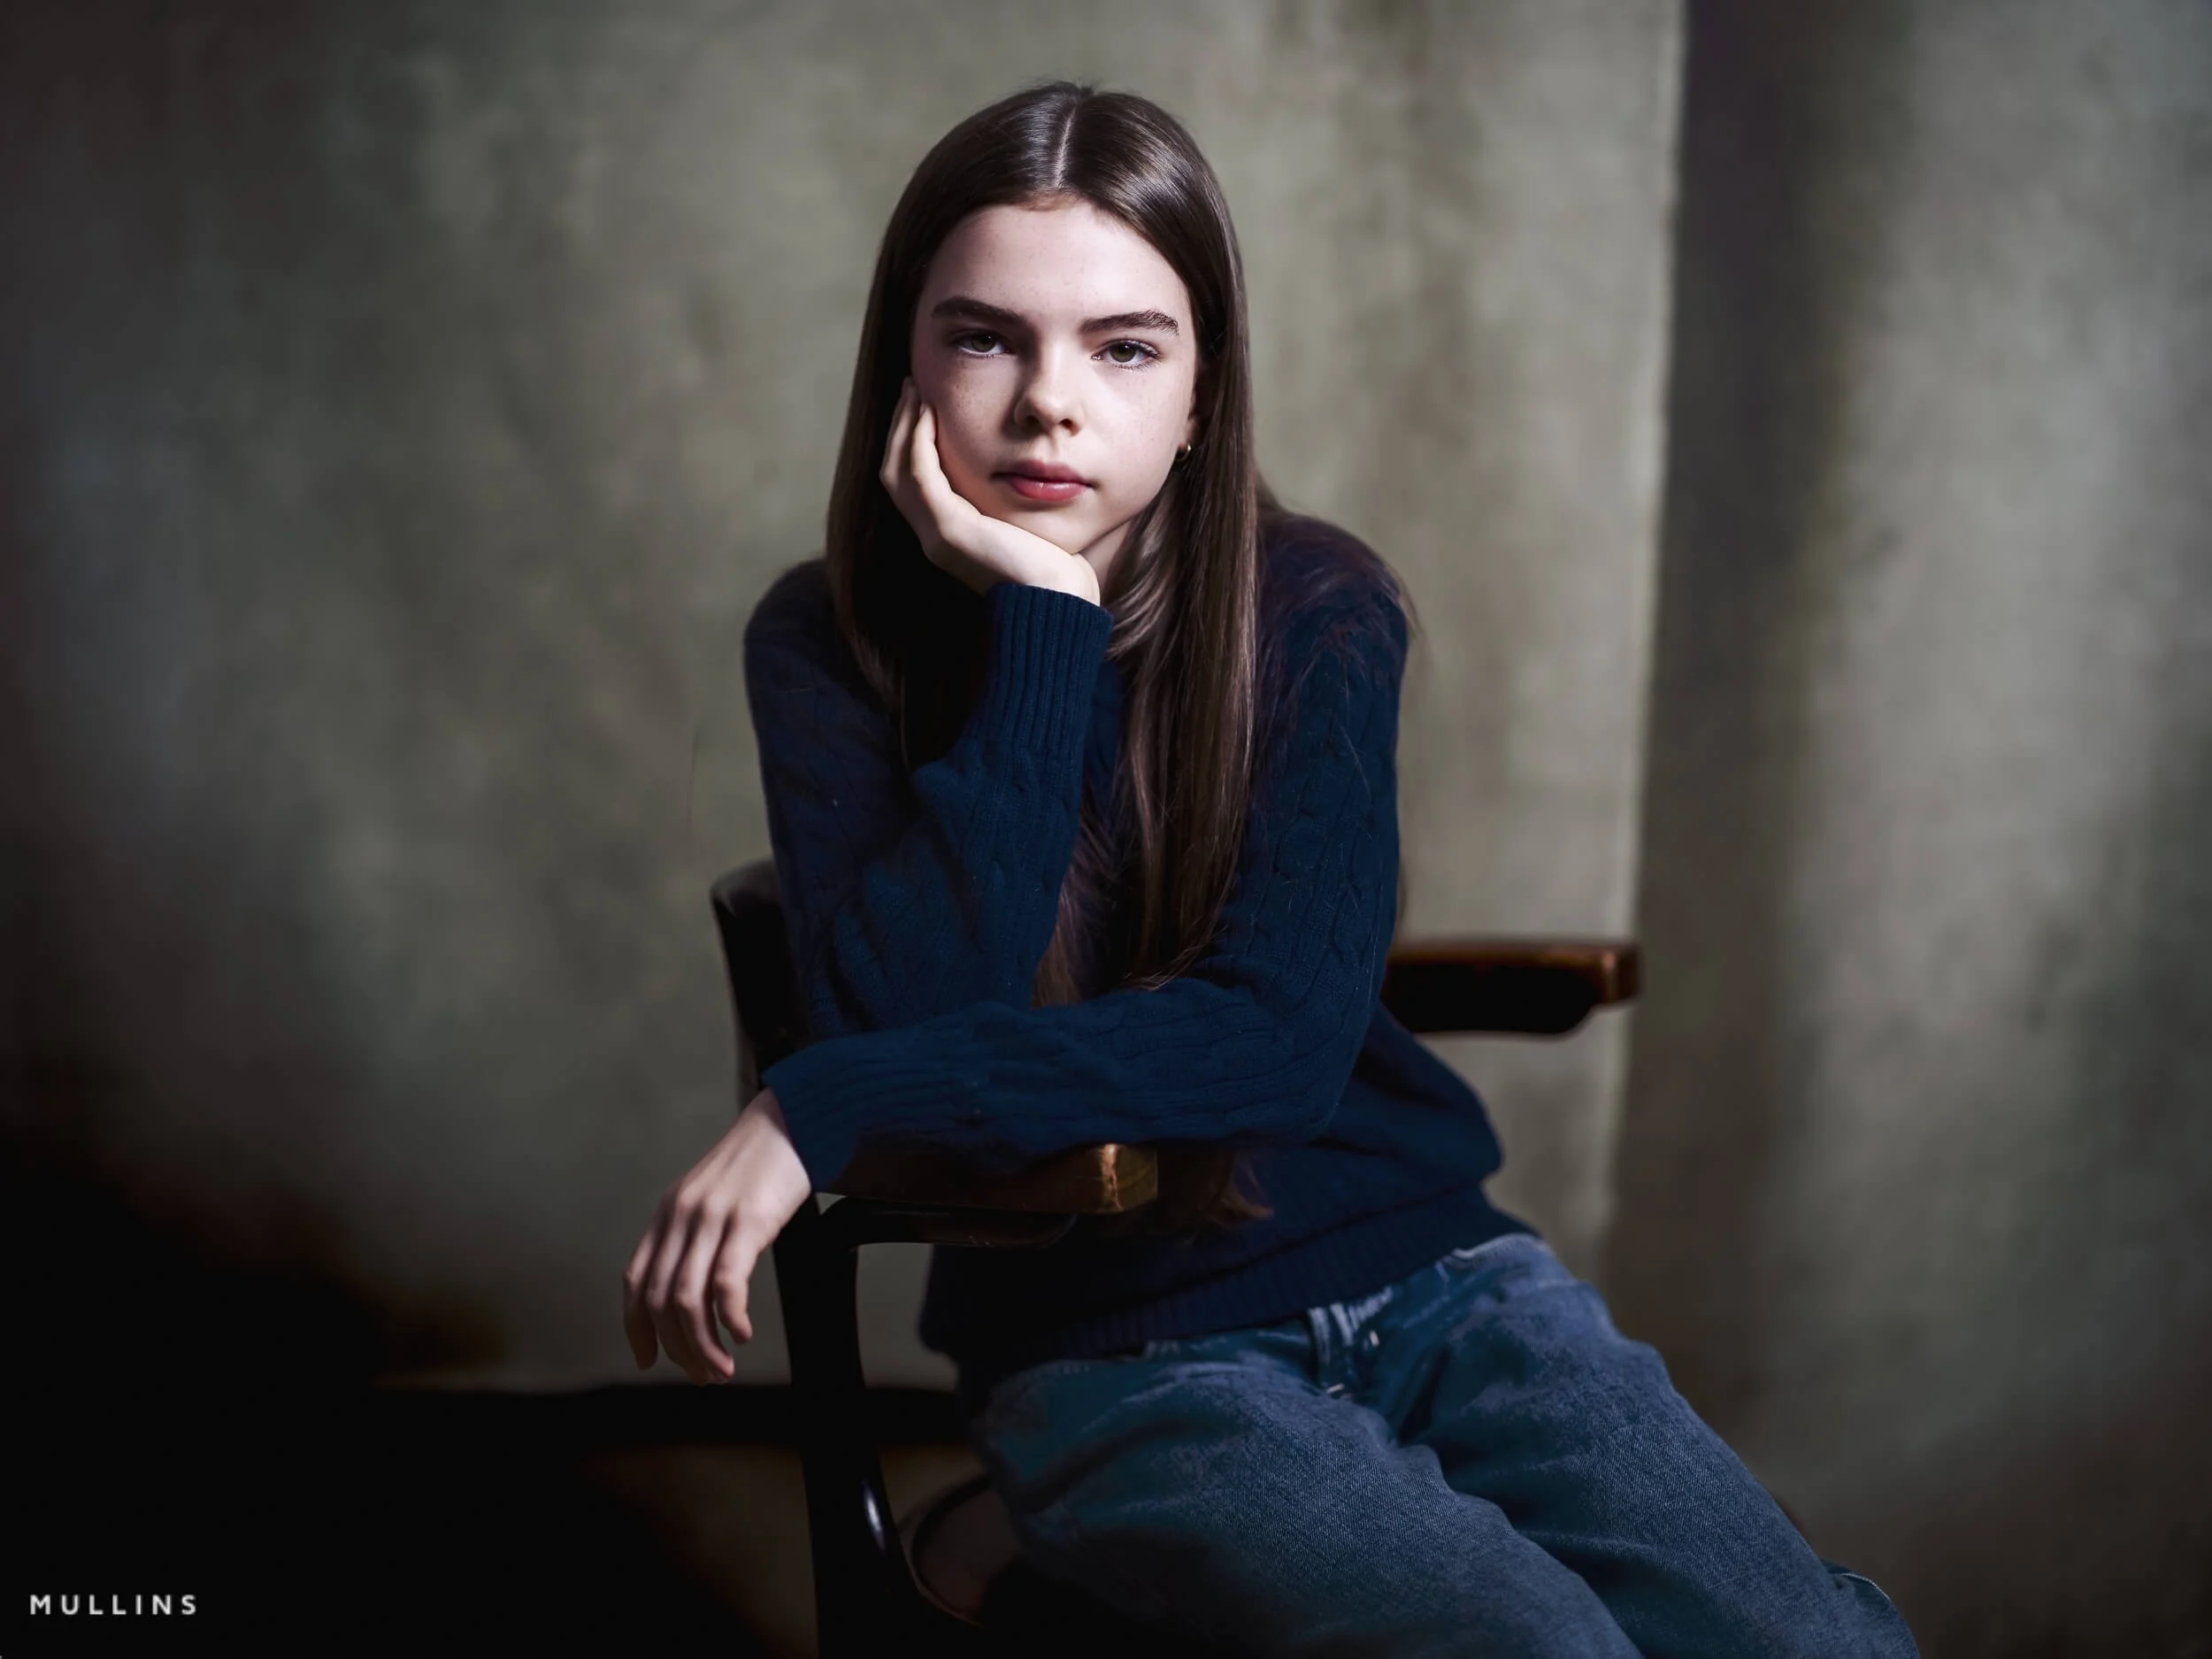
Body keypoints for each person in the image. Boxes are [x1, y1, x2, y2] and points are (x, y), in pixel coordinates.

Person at [621, 80, 1917, 1658]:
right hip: (1113, 1355)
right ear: (904, 360)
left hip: (1441, 1280)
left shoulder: (1315, 608)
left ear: (1200, 386)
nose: (1049, 404)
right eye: (984, 338)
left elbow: (1281, 1037)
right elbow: (902, 1018)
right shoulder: (829, 645)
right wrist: (1043, 620)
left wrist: (810, 1099)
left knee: (1813, 1644)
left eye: (1123, 346)